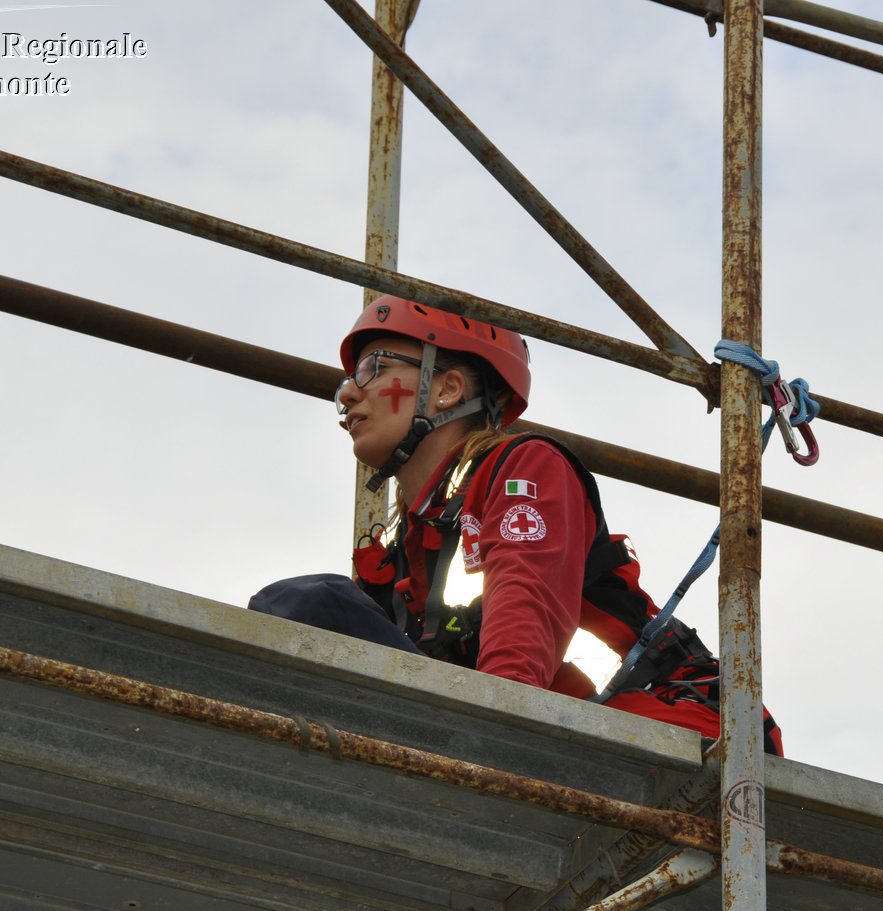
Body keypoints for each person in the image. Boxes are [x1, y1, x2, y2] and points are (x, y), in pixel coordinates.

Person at [249, 296, 782, 756]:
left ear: (447, 388)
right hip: (551, 725)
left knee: (312, 606)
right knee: (299, 630)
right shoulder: (405, 545)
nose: (347, 393)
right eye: (349, 378)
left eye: (374, 368)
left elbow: (520, 639)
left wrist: (496, 743)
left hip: (687, 730)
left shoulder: (523, 469)